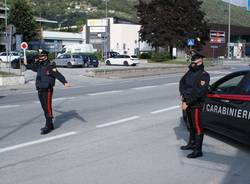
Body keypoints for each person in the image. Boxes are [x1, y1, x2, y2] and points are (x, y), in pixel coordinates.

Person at [23, 50, 71, 135]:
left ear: (45, 56)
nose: (39, 57)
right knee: (44, 107)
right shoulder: (39, 65)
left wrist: (65, 82)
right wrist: (25, 64)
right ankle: (51, 124)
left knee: (48, 108)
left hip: (47, 89)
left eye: (41, 56)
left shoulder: (50, 65)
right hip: (40, 88)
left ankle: (48, 126)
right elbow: (31, 66)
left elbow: (57, 74)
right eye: (39, 56)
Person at [179, 53, 210, 158]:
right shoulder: (190, 72)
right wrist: (184, 98)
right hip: (187, 103)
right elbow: (182, 83)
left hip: (196, 105)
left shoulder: (204, 75)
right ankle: (191, 144)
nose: (193, 64)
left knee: (197, 127)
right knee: (190, 125)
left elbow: (199, 92)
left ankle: (198, 150)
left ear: (201, 62)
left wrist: (187, 102)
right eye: (192, 62)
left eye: (195, 63)